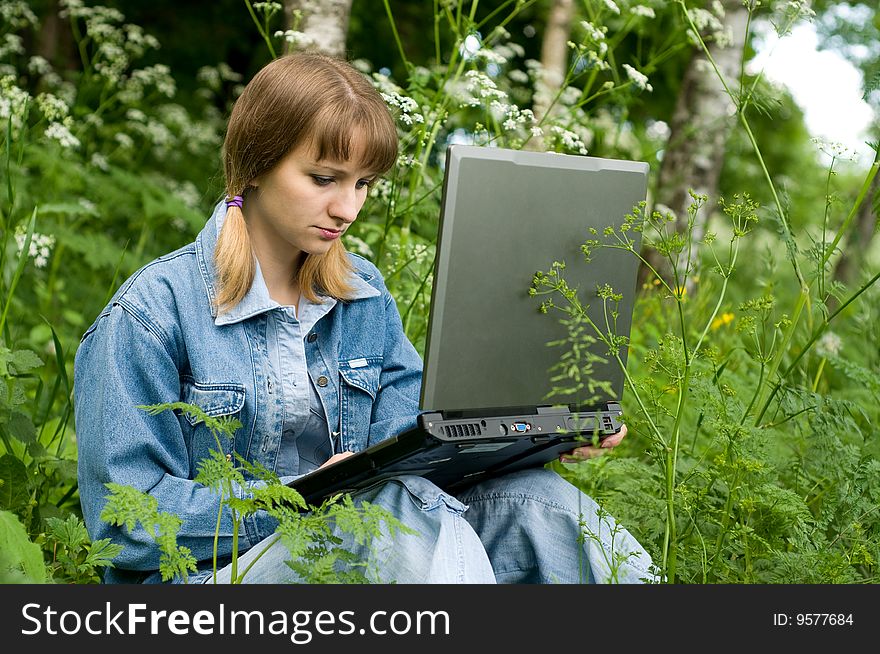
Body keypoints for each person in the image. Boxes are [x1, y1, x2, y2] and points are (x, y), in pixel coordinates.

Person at [74, 51, 655, 584]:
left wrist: (532, 437)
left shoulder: (363, 293)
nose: (347, 209)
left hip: (379, 544)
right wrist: (301, 496)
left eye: (364, 185)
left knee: (542, 505)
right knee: (383, 516)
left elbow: (409, 453)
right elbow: (127, 526)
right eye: (324, 179)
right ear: (254, 165)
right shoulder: (150, 314)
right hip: (208, 579)